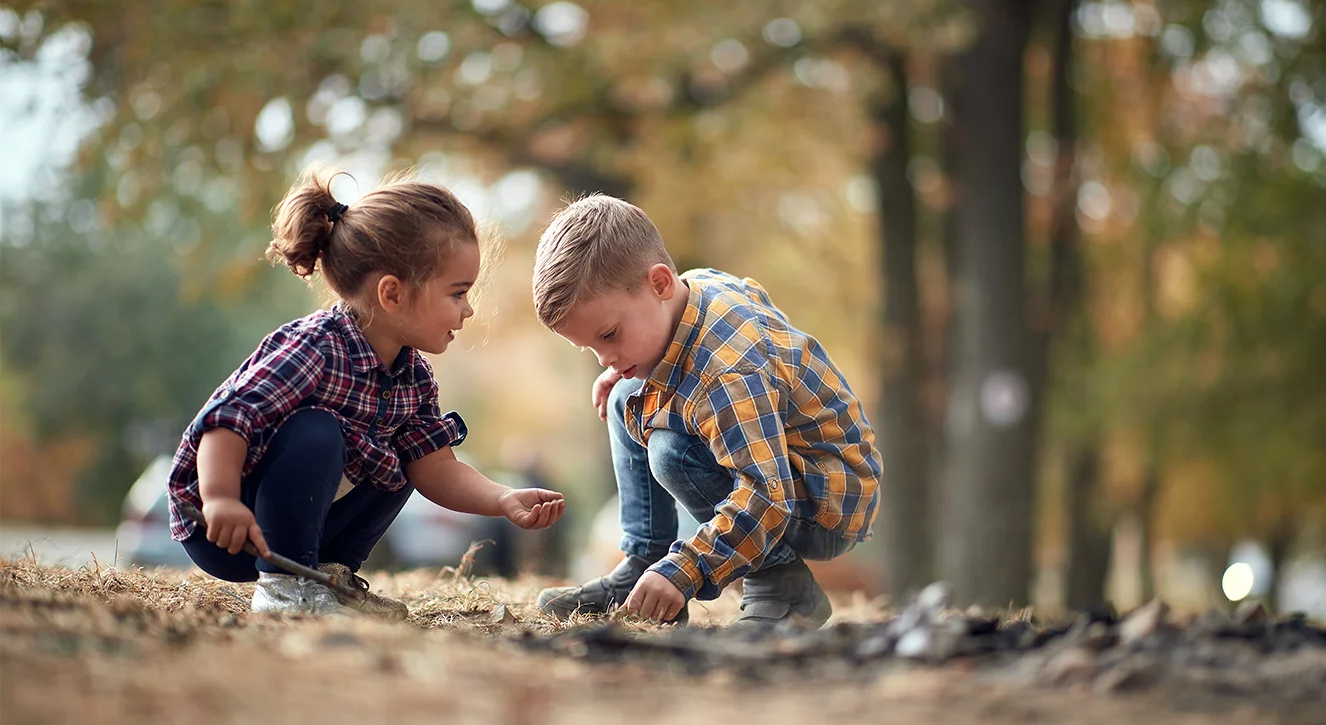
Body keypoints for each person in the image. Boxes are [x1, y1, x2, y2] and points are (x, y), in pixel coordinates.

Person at [167, 169, 564, 618]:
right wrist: (220, 498)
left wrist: (502, 499)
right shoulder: (315, 347)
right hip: (224, 526)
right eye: (458, 293)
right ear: (392, 293)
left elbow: (435, 468)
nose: (468, 309)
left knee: (400, 455)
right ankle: (285, 592)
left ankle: (329, 580)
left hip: (301, 534)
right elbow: (227, 419)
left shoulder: (413, 377)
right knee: (318, 430)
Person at [530, 195, 881, 628]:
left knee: (671, 451)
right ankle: (645, 563)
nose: (603, 358)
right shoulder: (688, 291)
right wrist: (627, 364)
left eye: (610, 335)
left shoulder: (729, 368)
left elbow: (768, 493)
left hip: (822, 501)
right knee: (626, 398)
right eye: (592, 348)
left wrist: (686, 571)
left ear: (659, 284)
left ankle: (783, 587)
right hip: (781, 476)